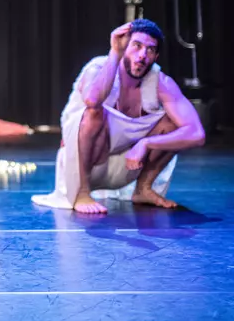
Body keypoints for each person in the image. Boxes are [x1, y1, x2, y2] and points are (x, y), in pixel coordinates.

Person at [31, 19, 206, 214]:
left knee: (173, 122)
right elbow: (92, 100)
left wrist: (146, 144)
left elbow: (196, 133)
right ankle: (81, 191)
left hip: (130, 166)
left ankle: (143, 189)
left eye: (149, 50)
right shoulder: (98, 68)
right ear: (124, 46)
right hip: (84, 165)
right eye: (137, 46)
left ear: (156, 56)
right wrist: (114, 51)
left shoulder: (160, 82)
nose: (142, 56)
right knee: (94, 112)